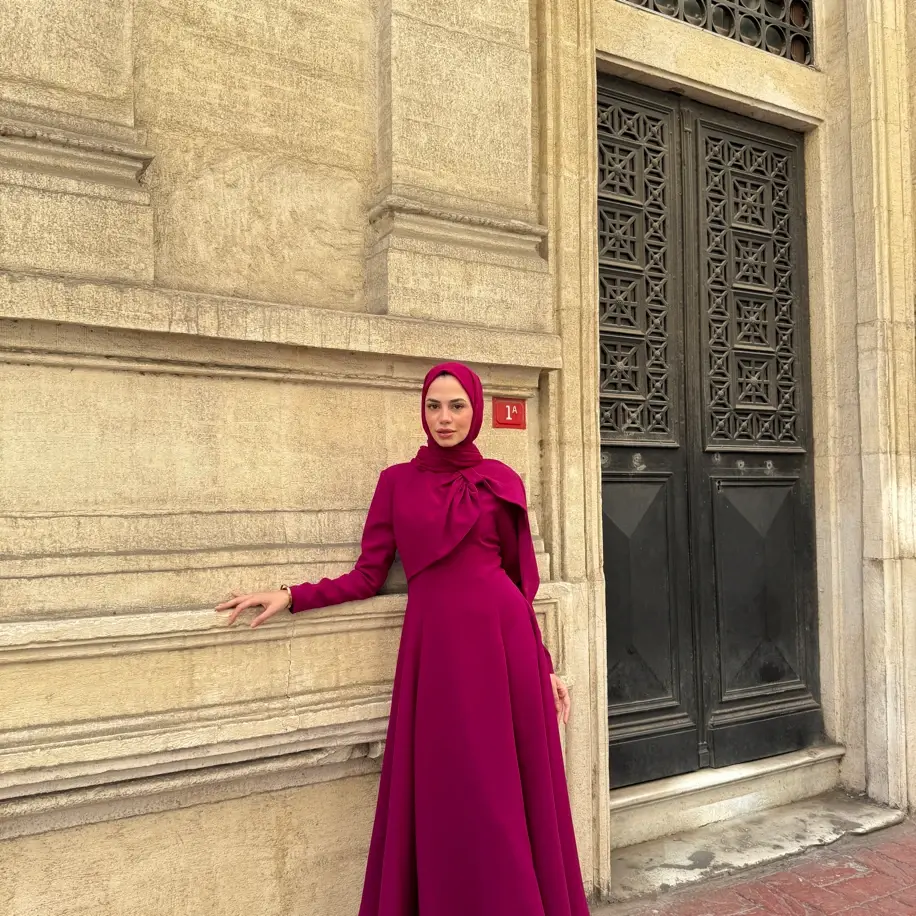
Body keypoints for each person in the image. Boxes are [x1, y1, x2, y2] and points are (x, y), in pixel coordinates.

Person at [216, 361, 590, 916]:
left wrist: (545, 663)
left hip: (505, 648)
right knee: (451, 787)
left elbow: (520, 586)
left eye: (457, 406)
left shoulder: (502, 480)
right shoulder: (396, 482)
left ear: (475, 411)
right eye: (434, 406)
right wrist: (291, 595)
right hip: (437, 653)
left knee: (504, 796)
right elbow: (367, 576)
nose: (445, 418)